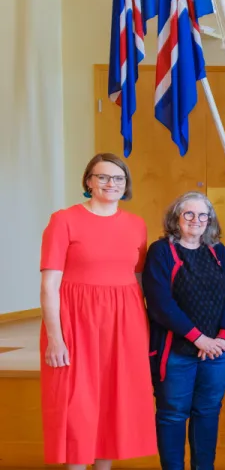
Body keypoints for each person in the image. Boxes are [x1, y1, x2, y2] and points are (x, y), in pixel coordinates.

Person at [39, 153, 157, 467]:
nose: (110, 183)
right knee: (77, 404)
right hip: (76, 321)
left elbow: (140, 279)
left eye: (117, 178)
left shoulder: (136, 224)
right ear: (88, 182)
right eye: (102, 177)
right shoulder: (63, 220)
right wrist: (55, 338)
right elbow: (49, 285)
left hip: (125, 322)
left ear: (126, 185)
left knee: (113, 402)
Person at [142, 191, 225, 470]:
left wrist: (223, 338)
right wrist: (199, 338)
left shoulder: (217, 251)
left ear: (209, 220)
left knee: (208, 413)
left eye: (202, 215)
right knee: (173, 415)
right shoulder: (161, 251)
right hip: (176, 350)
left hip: (216, 352)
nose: (196, 220)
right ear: (176, 217)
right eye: (189, 214)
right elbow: (160, 303)